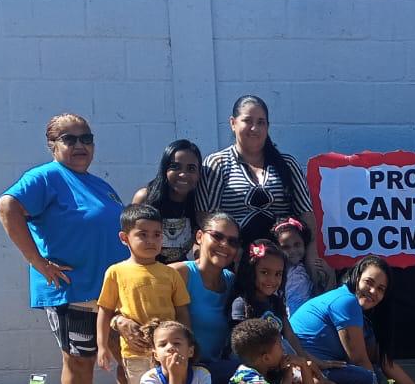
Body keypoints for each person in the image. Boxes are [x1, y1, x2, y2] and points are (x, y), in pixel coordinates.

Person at [0, 113, 127, 384]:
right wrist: (38, 263)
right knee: (79, 360)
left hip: (111, 294)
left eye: (87, 138)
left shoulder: (99, 185)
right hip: (73, 291)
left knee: (129, 356)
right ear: (53, 145)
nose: (80, 145)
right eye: (70, 139)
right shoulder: (45, 178)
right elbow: (6, 206)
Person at [231, 240, 374, 384]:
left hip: (280, 364)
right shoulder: (243, 304)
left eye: (278, 274)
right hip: (260, 372)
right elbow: (246, 349)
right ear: (251, 271)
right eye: (265, 272)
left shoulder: (276, 301)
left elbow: (290, 336)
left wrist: (309, 361)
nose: (272, 280)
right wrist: (291, 366)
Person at [193, 95, 332, 286]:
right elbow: (206, 217)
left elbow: (306, 214)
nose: (254, 128)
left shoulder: (287, 164)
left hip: (284, 263)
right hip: (237, 260)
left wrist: (311, 253)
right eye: (247, 121)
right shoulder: (217, 164)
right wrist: (230, 251)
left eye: (261, 122)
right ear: (233, 123)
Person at [96, 204, 191, 384]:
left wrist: (188, 342)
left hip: (167, 350)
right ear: (124, 238)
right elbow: (105, 310)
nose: (151, 241)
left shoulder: (170, 274)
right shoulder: (116, 272)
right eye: (142, 234)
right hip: (134, 349)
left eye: (157, 234)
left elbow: (182, 311)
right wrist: (102, 346)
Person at [289, 256, 394, 384]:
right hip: (300, 372)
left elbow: (382, 362)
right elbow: (359, 359)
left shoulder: (350, 303)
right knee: (366, 379)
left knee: (373, 374)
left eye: (381, 289)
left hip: (312, 368)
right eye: (369, 282)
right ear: (356, 277)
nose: (373, 291)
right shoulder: (347, 301)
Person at [167, 212, 239, 384]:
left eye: (232, 242)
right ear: (199, 237)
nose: (225, 245)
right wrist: (118, 319)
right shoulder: (178, 274)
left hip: (218, 373)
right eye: (217, 236)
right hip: (182, 375)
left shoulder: (232, 282)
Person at [131, 139, 203, 264]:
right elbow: (131, 240)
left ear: (198, 174)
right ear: (165, 169)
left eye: (191, 169)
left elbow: (198, 242)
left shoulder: (199, 203)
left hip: (179, 276)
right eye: (175, 167)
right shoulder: (145, 198)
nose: (183, 174)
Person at [272, 218, 320, 312]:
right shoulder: (278, 271)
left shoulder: (308, 267)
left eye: (297, 245)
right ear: (277, 248)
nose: (292, 251)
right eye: (286, 247)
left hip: (307, 314)